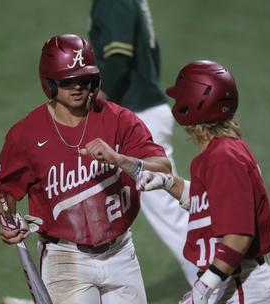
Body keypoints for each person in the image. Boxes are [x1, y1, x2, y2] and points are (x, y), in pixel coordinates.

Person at [0, 34, 172, 304]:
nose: (77, 88)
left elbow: (163, 168)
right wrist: (7, 220)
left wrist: (121, 159)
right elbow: (2, 193)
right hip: (65, 259)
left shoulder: (119, 120)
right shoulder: (26, 134)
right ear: (49, 82)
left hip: (121, 253)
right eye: (66, 81)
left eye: (84, 80)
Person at [136, 60, 270, 304]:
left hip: (243, 288)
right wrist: (168, 183)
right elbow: (214, 204)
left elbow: (238, 234)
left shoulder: (223, 158)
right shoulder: (223, 152)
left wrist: (204, 286)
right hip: (234, 282)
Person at [88, 0, 198, 284]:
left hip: (134, 117)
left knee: (170, 211)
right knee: (86, 202)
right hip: (139, 112)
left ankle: (216, 284)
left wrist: (93, 100)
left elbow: (116, 59)